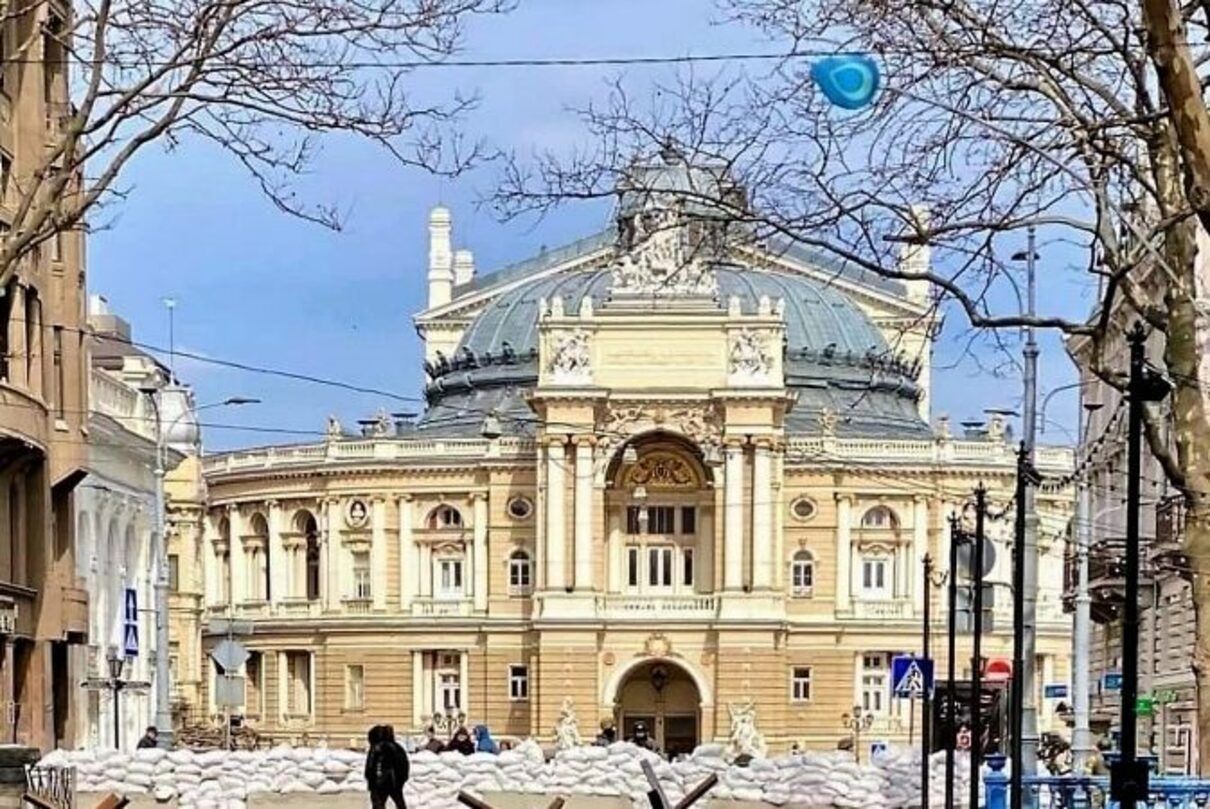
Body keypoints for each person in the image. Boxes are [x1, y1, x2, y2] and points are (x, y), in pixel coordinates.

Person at [365, 725, 409, 809]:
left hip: (378, 783)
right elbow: (404, 764)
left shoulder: (376, 747)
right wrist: (402, 780)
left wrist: (370, 780)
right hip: (395, 782)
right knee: (400, 804)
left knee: (378, 805)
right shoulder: (398, 747)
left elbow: (370, 766)